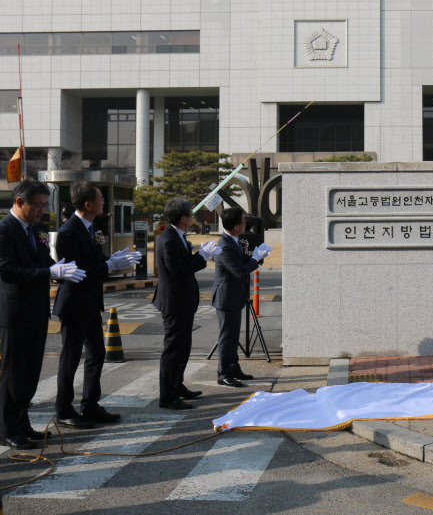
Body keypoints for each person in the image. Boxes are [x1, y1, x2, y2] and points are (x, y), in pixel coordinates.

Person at [0, 180, 86, 449]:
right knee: (12, 374)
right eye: (37, 205)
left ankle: (23, 424)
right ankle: (7, 429)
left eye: (44, 205)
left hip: (37, 311)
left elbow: (44, 261)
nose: (41, 211)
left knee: (30, 373)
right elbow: (7, 271)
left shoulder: (36, 229)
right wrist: (48, 273)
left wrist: (60, 268)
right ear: (19, 202)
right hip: (13, 314)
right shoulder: (4, 230)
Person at [53, 182, 141, 429]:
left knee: (97, 354)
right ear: (88, 204)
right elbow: (75, 269)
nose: (105, 203)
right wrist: (108, 266)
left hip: (91, 302)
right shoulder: (69, 231)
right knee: (70, 357)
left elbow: (95, 260)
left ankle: (90, 404)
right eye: (101, 199)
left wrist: (112, 260)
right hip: (74, 303)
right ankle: (63, 409)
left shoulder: (92, 227)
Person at [153, 198, 222, 410]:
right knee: (173, 349)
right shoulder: (169, 239)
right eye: (191, 215)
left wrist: (199, 255)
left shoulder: (177, 236)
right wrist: (201, 257)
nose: (193, 217)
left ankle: (177, 385)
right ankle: (167, 395)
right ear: (183, 219)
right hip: (174, 302)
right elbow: (179, 270)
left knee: (183, 347)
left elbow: (183, 263)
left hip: (182, 300)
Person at [212, 207, 271, 387]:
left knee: (233, 335)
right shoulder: (224, 246)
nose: (246, 224)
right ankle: (223, 373)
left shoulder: (235, 240)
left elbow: (242, 262)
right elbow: (239, 271)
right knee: (227, 336)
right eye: (244, 221)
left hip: (235, 295)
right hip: (226, 297)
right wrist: (255, 259)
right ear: (237, 226)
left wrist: (254, 257)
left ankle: (233, 367)